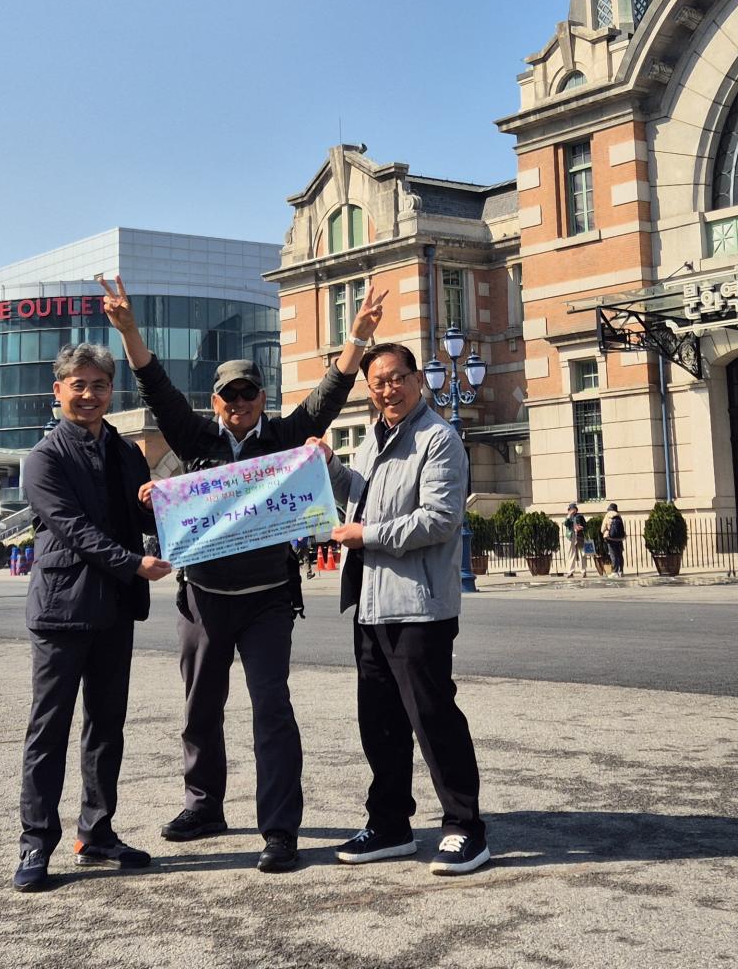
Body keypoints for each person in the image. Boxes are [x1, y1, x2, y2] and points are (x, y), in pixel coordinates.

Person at [99, 273, 382, 875]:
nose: (239, 403)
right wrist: (128, 331)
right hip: (202, 597)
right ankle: (204, 806)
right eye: (229, 395)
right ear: (215, 401)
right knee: (200, 708)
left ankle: (279, 829)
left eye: (249, 393)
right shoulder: (195, 436)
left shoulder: (283, 438)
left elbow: (329, 396)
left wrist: (356, 339)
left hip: (268, 599)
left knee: (272, 710)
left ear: (262, 398)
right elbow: (155, 386)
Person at [324, 342, 489, 877]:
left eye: (397, 378)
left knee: (433, 718)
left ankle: (465, 827)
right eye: (378, 382)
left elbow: (440, 518)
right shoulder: (373, 439)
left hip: (419, 607)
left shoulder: (438, 439)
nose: (388, 389)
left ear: (418, 380)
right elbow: (358, 497)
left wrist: (367, 535)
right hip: (371, 605)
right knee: (380, 722)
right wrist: (330, 466)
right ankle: (390, 823)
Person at [15, 342, 173, 893]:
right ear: (58, 390)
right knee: (49, 730)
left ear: (112, 391)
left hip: (115, 610)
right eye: (78, 385)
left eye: (99, 385)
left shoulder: (126, 451)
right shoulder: (43, 458)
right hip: (62, 609)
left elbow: (138, 517)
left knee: (106, 729)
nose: (89, 395)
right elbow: (72, 529)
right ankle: (36, 841)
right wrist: (134, 564)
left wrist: (156, 503)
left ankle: (97, 833)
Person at [562, 503, 588, 578]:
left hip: (579, 535)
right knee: (571, 553)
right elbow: (566, 524)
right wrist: (569, 515)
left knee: (581, 553)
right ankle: (570, 571)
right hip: (571, 536)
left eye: (574, 509)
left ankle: (583, 571)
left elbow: (585, 526)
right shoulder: (568, 517)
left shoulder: (580, 516)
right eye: (571, 509)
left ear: (576, 509)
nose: (573, 510)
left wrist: (582, 528)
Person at [602, 503, 627, 577]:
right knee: (620, 555)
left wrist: (605, 532)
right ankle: (621, 571)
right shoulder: (618, 515)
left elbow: (602, 528)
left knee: (613, 555)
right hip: (619, 539)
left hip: (611, 538)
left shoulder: (607, 515)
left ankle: (615, 572)